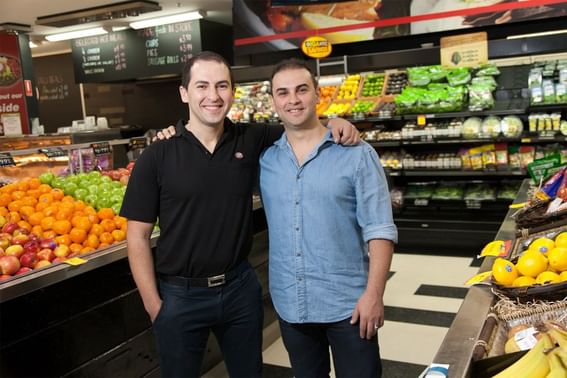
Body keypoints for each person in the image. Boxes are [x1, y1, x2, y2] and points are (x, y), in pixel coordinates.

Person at [121, 51, 359, 378]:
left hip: (239, 290)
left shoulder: (252, 137)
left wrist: (335, 122)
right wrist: (153, 305)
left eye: (222, 86)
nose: (213, 96)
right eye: (202, 86)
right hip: (180, 296)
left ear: (233, 92)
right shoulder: (157, 155)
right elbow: (136, 236)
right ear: (184, 93)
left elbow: (303, 126)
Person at [259, 59, 397, 378]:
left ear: (318, 94)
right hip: (291, 304)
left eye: (301, 89)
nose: (293, 100)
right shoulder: (265, 159)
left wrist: (374, 294)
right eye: (283, 93)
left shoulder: (357, 154)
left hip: (349, 305)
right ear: (273, 101)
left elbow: (380, 229)